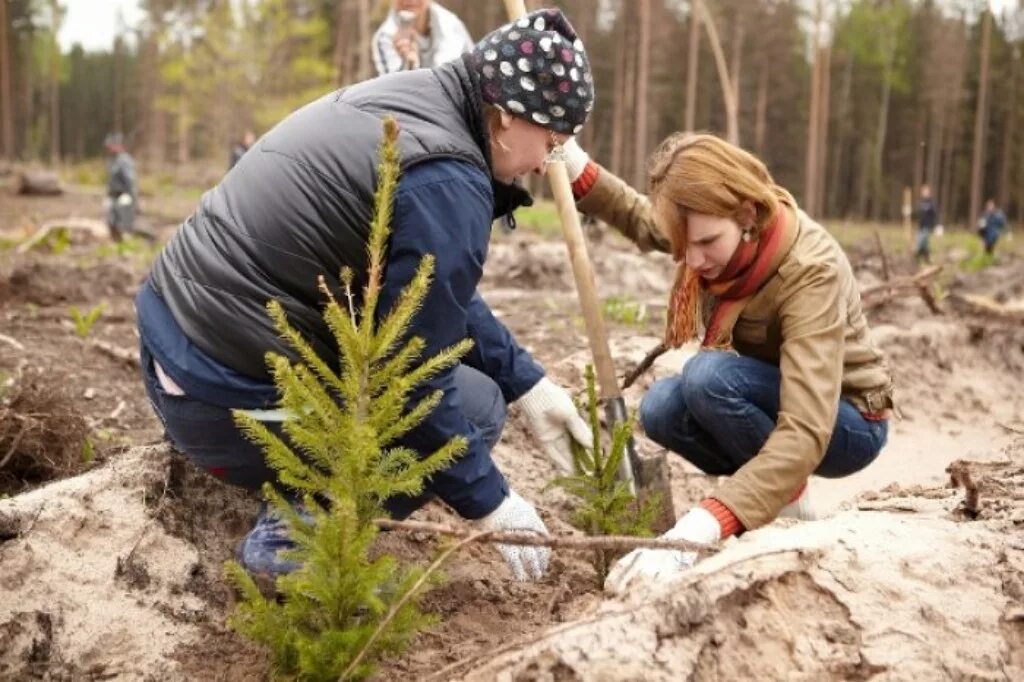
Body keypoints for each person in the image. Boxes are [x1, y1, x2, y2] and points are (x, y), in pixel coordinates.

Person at [136, 9, 595, 583]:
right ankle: (297, 537)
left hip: (172, 360)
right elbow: (415, 381)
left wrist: (528, 382)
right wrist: (491, 501)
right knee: (474, 408)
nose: (540, 165)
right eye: (549, 144)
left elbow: (424, 289)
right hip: (225, 404)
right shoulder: (449, 179)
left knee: (480, 390)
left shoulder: (413, 99)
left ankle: (284, 474)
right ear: (504, 116)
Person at [558, 134, 893, 593]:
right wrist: (573, 160)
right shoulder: (709, 230)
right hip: (774, 396)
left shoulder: (810, 271)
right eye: (684, 246)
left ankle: (790, 510)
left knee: (707, 379)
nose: (692, 261)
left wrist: (699, 527)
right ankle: (766, 490)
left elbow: (806, 428)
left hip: (847, 421)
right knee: (660, 408)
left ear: (747, 217)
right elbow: (643, 218)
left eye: (706, 243)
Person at [372, 0, 474, 74]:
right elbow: (395, 92)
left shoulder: (451, 24)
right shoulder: (385, 38)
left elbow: (473, 67)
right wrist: (409, 65)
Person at [104, 133, 138, 242]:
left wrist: (133, 197)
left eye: (111, 145)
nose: (109, 148)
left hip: (124, 195)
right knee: (111, 221)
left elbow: (130, 180)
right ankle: (117, 243)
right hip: (113, 195)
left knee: (124, 223)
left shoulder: (125, 160)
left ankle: (127, 245)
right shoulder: (112, 160)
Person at [913, 184, 939, 264]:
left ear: (929, 193)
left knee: (920, 242)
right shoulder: (920, 203)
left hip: (928, 226)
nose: (925, 193)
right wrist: (908, 212)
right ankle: (926, 259)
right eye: (923, 192)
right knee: (925, 244)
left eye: (926, 192)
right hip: (920, 226)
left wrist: (937, 226)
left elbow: (935, 215)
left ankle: (916, 257)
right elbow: (916, 214)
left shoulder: (931, 203)